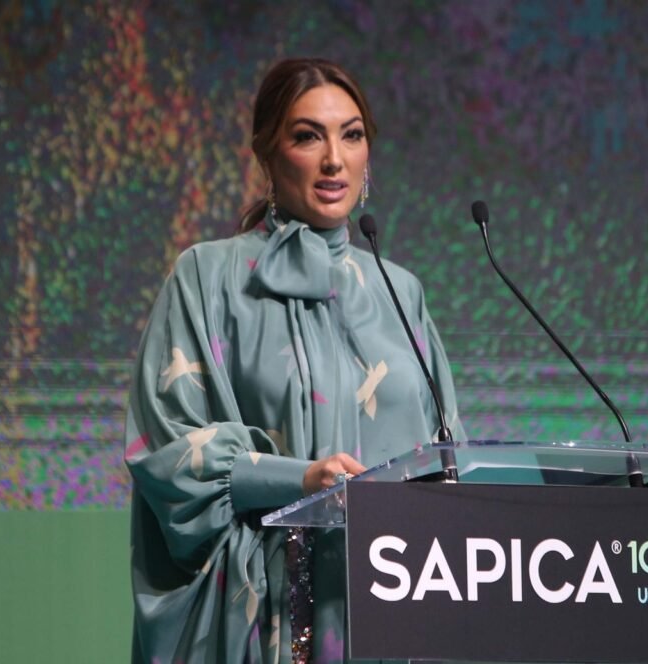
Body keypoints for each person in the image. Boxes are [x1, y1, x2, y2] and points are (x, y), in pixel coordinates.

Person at [124, 57, 464, 663]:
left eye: (351, 135)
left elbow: (448, 458)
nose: (334, 159)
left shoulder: (399, 291)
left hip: (390, 615)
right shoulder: (208, 277)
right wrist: (301, 481)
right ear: (267, 154)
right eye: (308, 136)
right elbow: (170, 454)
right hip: (262, 623)